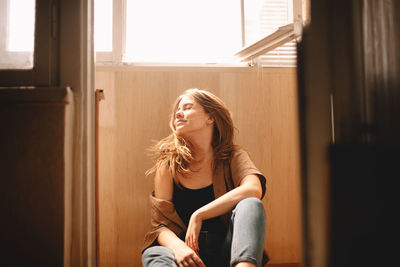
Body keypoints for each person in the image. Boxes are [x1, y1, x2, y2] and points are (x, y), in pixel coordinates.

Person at [142, 88, 268, 267]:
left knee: (251, 204)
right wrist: (179, 248)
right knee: (154, 253)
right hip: (186, 253)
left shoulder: (233, 156)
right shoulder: (168, 164)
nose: (178, 113)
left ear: (211, 118)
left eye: (187, 107)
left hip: (228, 250)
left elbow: (253, 190)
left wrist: (199, 214)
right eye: (177, 109)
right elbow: (160, 226)